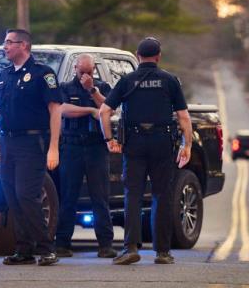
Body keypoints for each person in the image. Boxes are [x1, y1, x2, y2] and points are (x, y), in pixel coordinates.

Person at [99, 37, 193, 265]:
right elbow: (183, 117)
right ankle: (162, 252)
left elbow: (103, 111)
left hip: (134, 143)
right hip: (162, 143)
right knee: (162, 195)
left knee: (133, 195)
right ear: (158, 56)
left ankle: (131, 247)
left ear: (137, 55)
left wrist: (109, 139)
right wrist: (186, 145)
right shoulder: (170, 81)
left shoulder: (127, 81)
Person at [0, 29, 62, 266]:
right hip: (8, 142)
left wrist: (54, 147)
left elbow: (55, 109)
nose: (4, 46)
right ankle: (24, 249)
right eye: (4, 41)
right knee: (12, 197)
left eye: (9, 42)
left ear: (24, 45)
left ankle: (47, 248)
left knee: (27, 195)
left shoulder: (43, 74)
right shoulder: (4, 76)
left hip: (33, 142)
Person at [54, 54, 117, 259]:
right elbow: (62, 109)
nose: (86, 75)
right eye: (82, 72)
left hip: (96, 147)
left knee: (100, 197)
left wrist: (92, 91)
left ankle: (105, 245)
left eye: (89, 72)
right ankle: (62, 243)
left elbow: (108, 110)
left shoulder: (103, 87)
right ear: (75, 69)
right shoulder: (65, 88)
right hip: (72, 147)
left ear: (94, 70)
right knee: (68, 196)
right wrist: (90, 109)